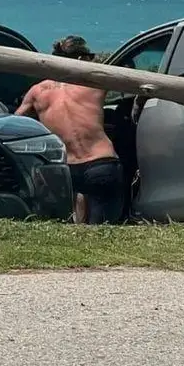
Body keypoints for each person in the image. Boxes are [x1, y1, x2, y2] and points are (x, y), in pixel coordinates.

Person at [14, 35, 127, 224]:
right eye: (89, 58)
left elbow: (16, 122)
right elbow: (133, 83)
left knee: (72, 226)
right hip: (101, 163)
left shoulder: (38, 91)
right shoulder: (94, 83)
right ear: (81, 58)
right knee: (104, 227)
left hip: (66, 169)